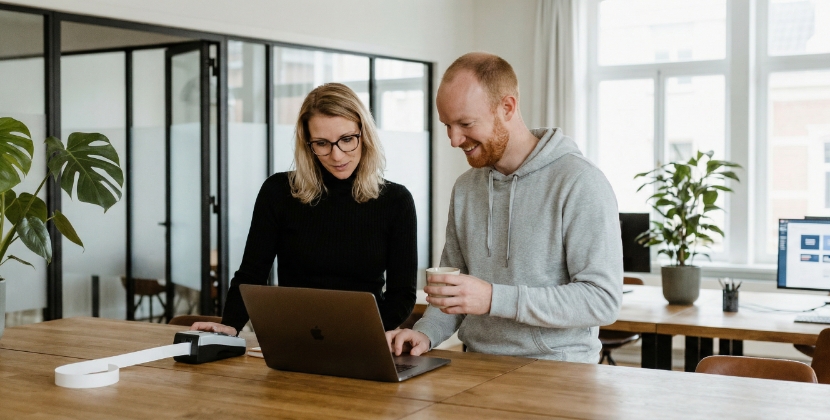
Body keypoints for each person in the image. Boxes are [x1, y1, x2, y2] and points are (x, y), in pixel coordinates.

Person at [387, 52, 622, 363]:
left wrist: (494, 298)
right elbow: (454, 292)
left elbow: (602, 300)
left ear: (507, 107)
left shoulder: (580, 182)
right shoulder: (466, 188)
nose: (454, 139)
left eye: (465, 123)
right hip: (477, 365)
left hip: (560, 374)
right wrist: (426, 332)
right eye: (447, 125)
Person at [193, 83, 418, 336]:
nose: (337, 155)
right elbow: (252, 273)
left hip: (363, 337)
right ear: (307, 143)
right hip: (293, 336)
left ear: (364, 134)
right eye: (322, 143)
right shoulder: (278, 191)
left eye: (347, 139)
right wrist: (231, 324)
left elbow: (402, 294)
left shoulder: (396, 201)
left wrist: (366, 334)